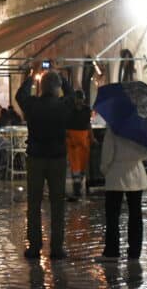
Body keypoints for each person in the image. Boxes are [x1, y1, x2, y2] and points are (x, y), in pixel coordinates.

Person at [15, 69, 76, 260]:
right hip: (57, 158)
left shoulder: (32, 104)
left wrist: (31, 78)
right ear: (58, 87)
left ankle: (34, 246)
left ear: (41, 87)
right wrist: (64, 80)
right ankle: (57, 248)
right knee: (57, 204)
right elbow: (73, 96)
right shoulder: (63, 105)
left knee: (34, 203)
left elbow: (20, 95)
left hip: (36, 157)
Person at [97, 126, 147, 262]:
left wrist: (104, 169)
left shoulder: (114, 128)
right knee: (135, 214)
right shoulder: (140, 128)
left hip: (116, 172)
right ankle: (134, 252)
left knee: (113, 215)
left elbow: (107, 153)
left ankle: (112, 251)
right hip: (136, 172)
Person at [66, 90, 93, 200]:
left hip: (83, 139)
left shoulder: (87, 110)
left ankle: (79, 184)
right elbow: (66, 125)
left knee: (82, 164)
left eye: (81, 98)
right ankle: (76, 187)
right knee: (75, 164)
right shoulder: (70, 110)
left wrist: (92, 136)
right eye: (78, 98)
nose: (80, 101)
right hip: (73, 140)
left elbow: (88, 124)